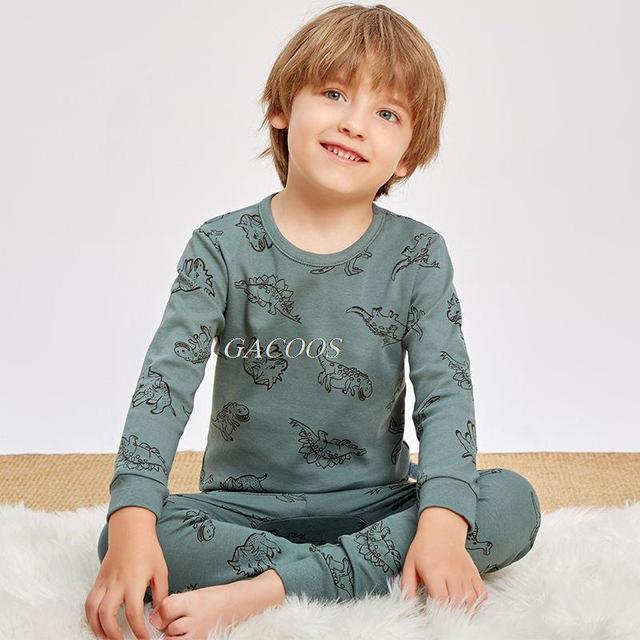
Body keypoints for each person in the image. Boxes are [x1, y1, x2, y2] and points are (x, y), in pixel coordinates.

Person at [85, 4, 542, 639]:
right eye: (334, 94)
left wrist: (439, 523)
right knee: (124, 532)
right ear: (281, 108)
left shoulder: (418, 254)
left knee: (510, 501)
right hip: (242, 510)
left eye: (387, 113)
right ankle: (347, 574)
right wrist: (134, 522)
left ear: (406, 157)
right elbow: (165, 384)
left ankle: (266, 591)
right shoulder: (221, 245)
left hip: (378, 503)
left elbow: (446, 393)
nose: (355, 123)